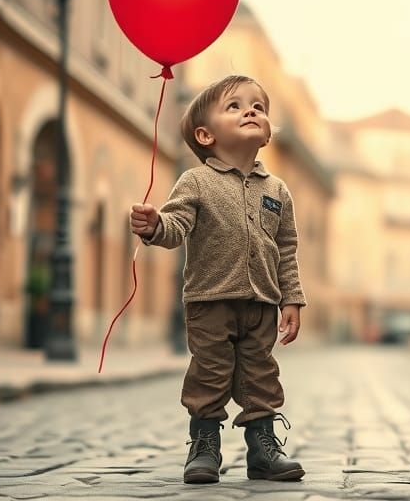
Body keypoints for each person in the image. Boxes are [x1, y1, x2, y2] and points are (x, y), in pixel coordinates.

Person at [130, 75, 306, 484]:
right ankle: (204, 445)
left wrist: (291, 299)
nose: (250, 111)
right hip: (209, 300)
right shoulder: (196, 181)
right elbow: (175, 226)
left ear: (266, 133)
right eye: (235, 106)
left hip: (262, 303)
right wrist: (155, 224)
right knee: (209, 373)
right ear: (205, 134)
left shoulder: (277, 189)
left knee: (261, 375)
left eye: (258, 107)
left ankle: (263, 448)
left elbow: (287, 249)